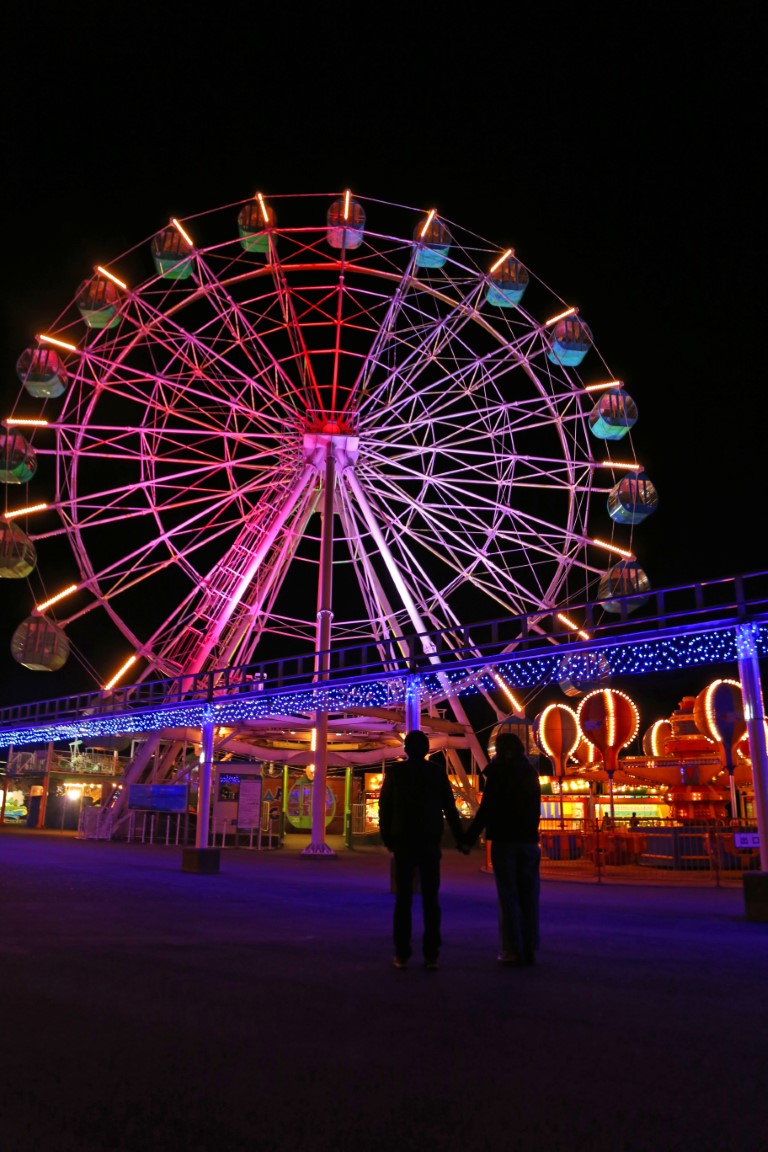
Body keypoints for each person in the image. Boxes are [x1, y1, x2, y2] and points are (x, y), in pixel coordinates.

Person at [378, 729, 467, 971]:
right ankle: (431, 954)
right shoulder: (436, 773)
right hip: (429, 842)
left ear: (406, 750)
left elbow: (384, 806)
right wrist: (462, 839)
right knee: (431, 900)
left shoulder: (397, 773)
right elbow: (449, 807)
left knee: (403, 900)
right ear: (427, 749)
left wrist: (387, 837)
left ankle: (402, 953)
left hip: (403, 842)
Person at [463, 731, 541, 967]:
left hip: (505, 840)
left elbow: (487, 809)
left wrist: (468, 838)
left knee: (508, 897)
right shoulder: (530, 773)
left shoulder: (498, 774)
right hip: (528, 841)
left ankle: (510, 949)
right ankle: (530, 948)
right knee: (529, 897)